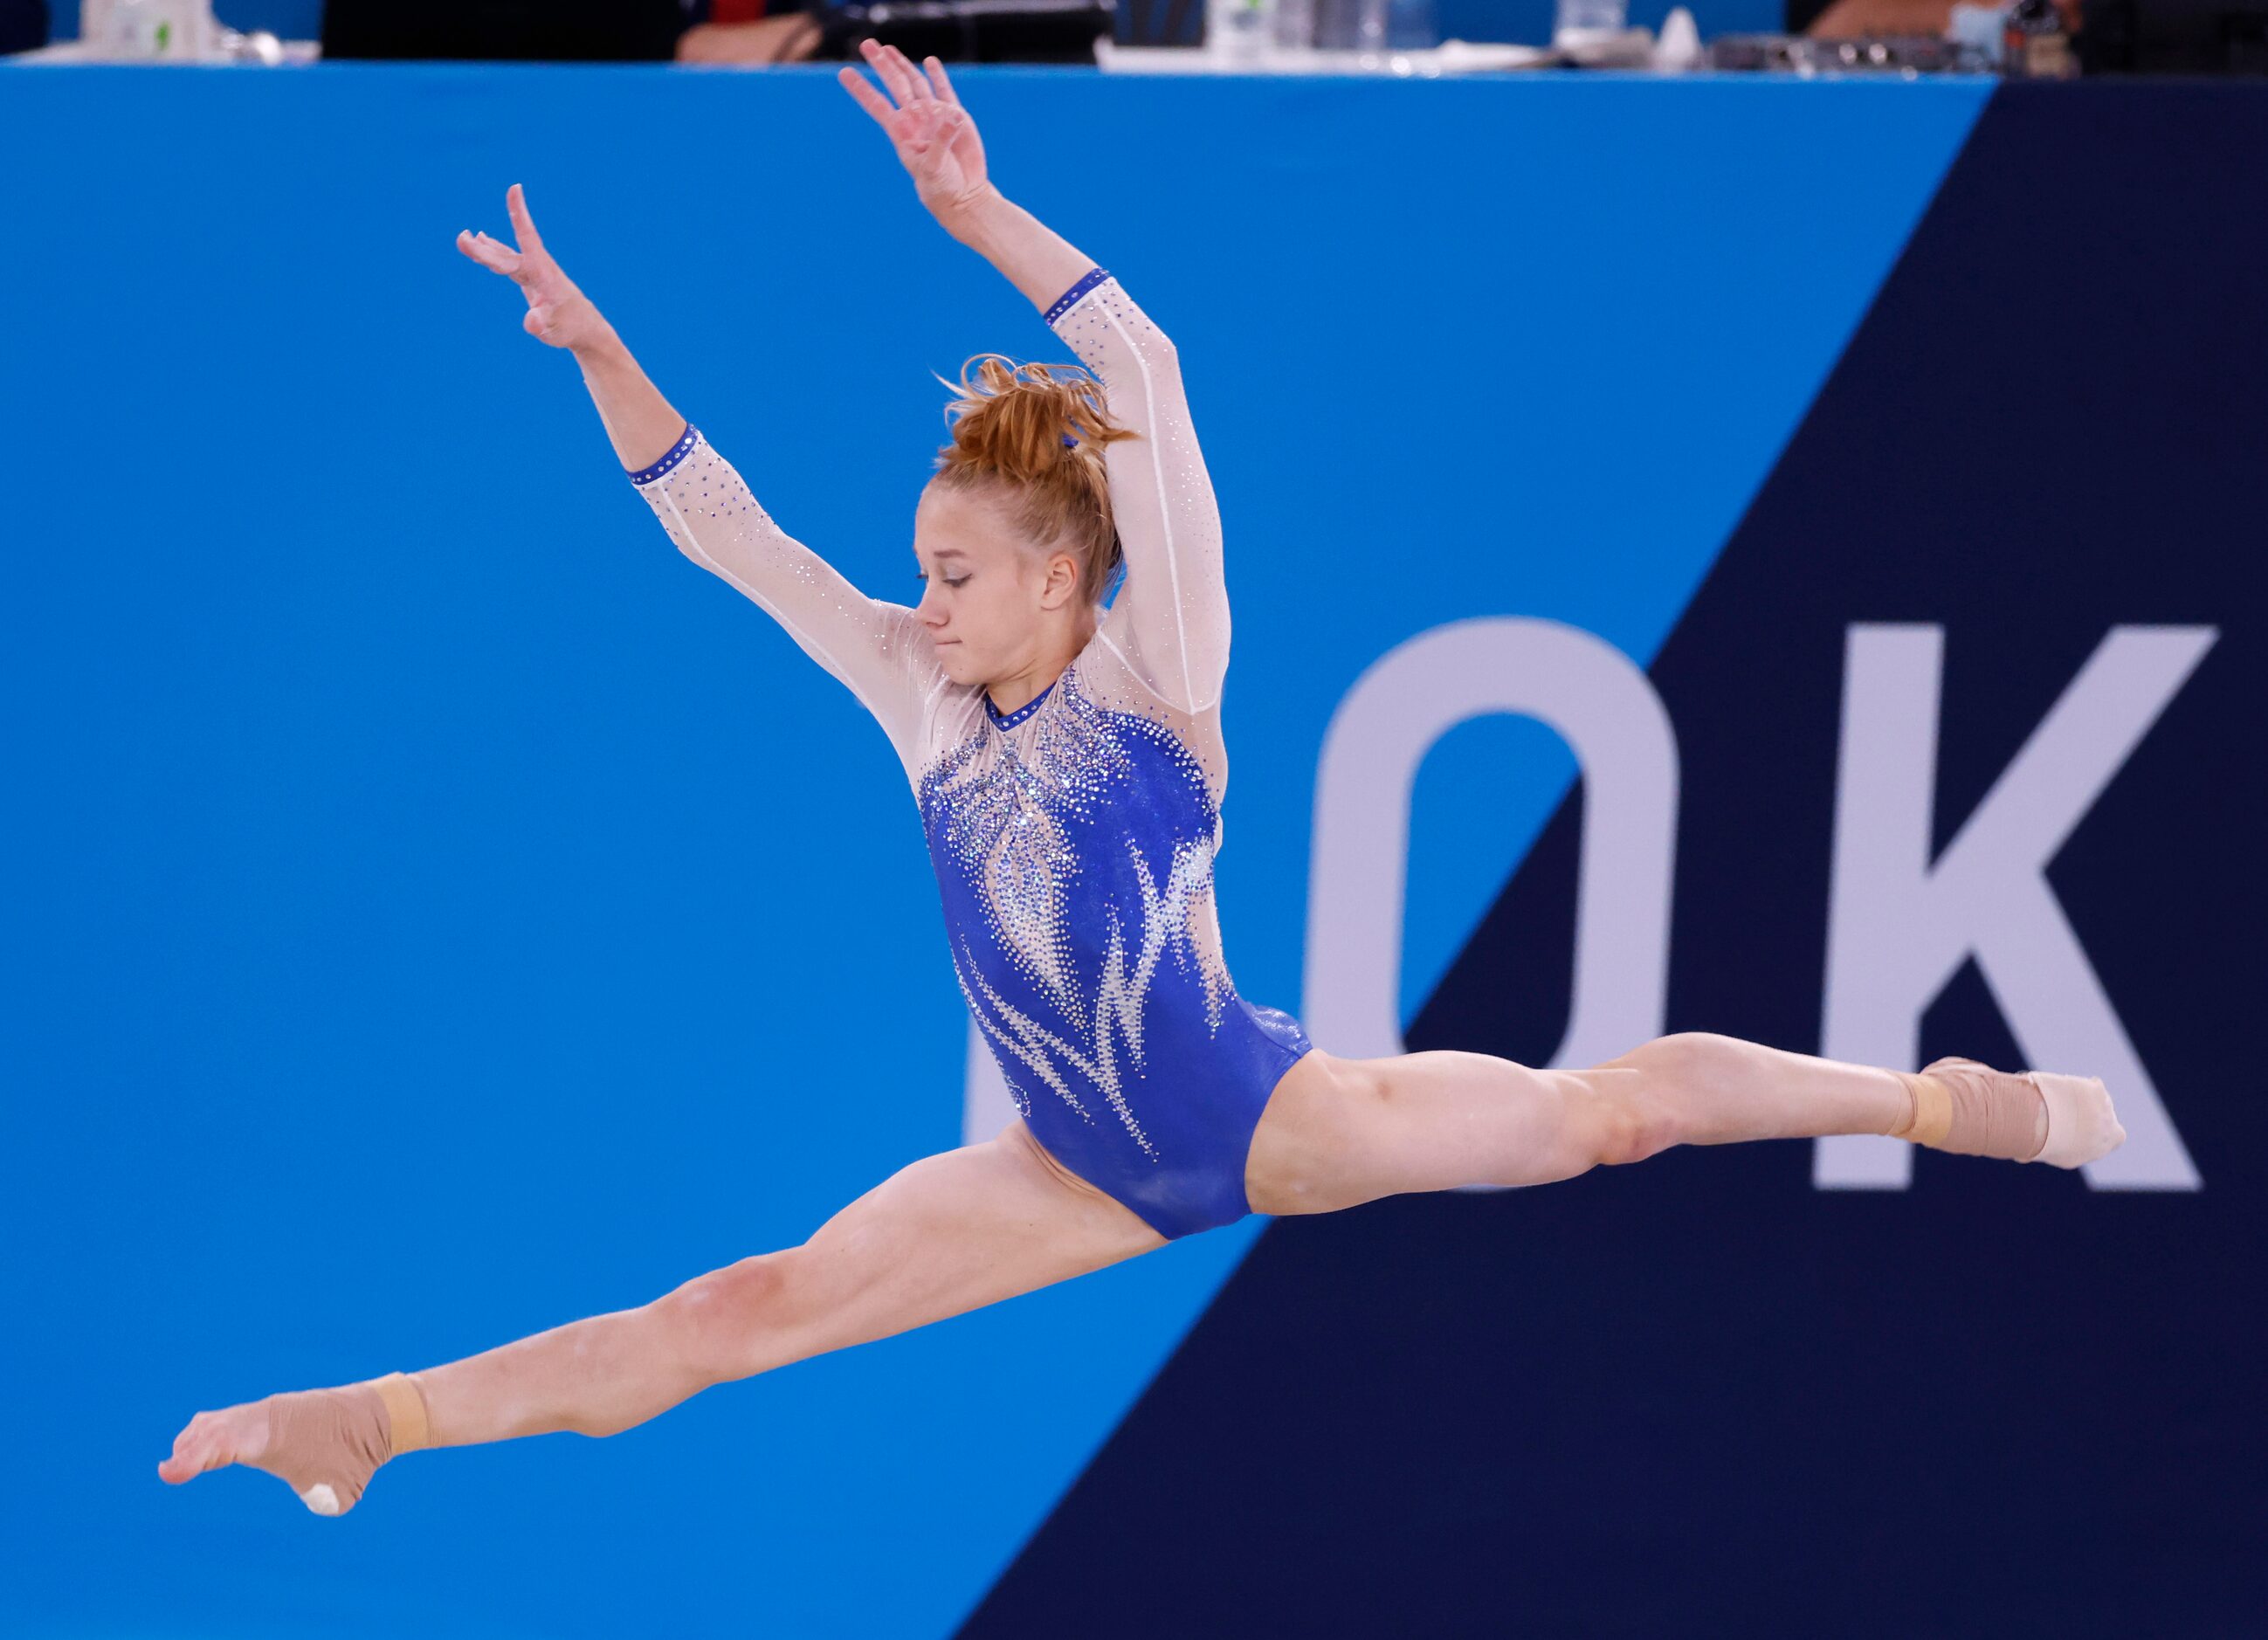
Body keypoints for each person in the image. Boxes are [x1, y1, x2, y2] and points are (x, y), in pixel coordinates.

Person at [158, 38, 2128, 1518]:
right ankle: (374, 1418)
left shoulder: (1159, 684)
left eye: (950, 574)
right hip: (1059, 1168)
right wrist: (600, 352)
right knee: (736, 1315)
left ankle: (1939, 1096)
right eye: (914, 571)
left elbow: (1154, 378)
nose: (916, 604)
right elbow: (727, 533)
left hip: (1262, 1114)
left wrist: (979, 216)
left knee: (1600, 1121)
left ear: (1057, 577)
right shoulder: (917, 695)